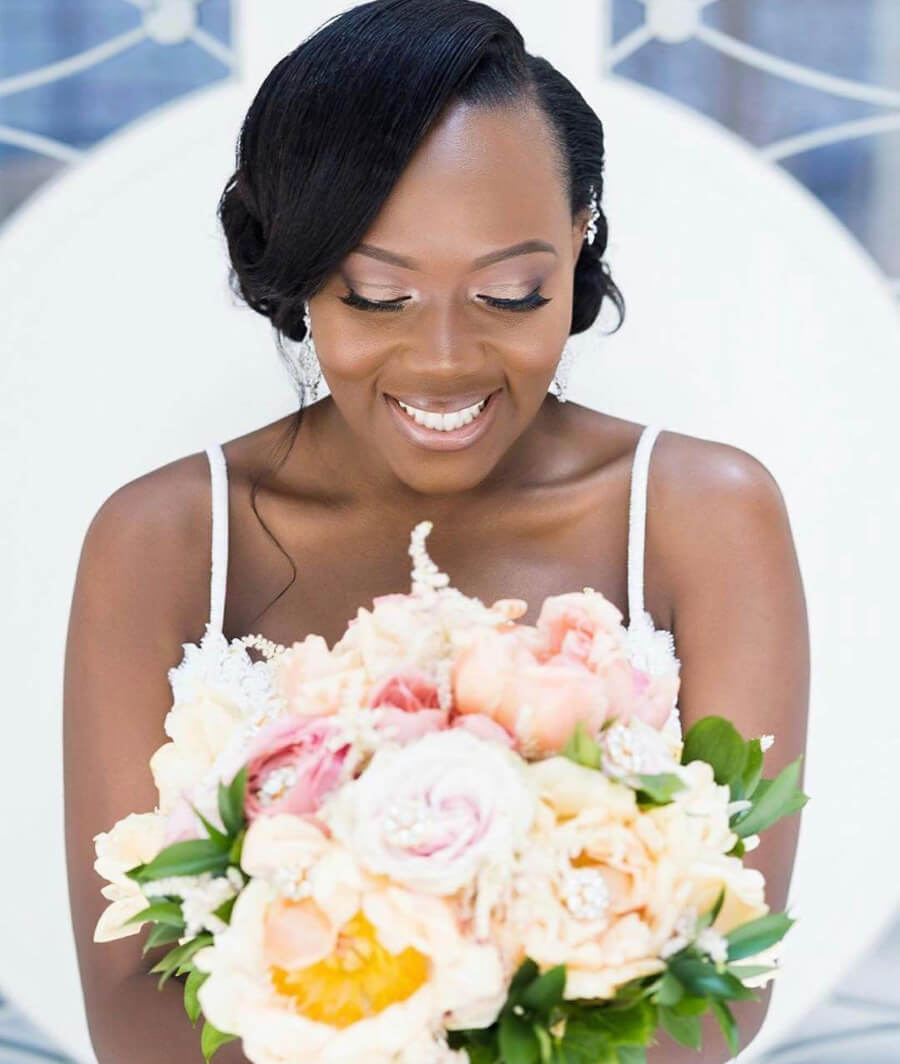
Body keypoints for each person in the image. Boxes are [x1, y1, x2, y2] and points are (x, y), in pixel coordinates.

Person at [63, 1, 810, 1061]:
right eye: (377, 295)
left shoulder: (702, 517)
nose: (446, 359)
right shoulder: (163, 540)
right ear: (299, 269)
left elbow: (718, 984)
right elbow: (131, 998)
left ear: (580, 238)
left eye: (512, 292)